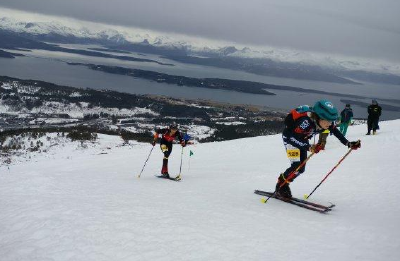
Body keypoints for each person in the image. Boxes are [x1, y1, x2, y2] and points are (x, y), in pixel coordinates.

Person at [275, 100, 361, 199]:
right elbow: (292, 138)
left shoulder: (323, 121)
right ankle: (281, 185)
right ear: (319, 117)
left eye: (332, 120)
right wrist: (309, 147)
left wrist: (348, 143)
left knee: (301, 169)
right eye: (328, 120)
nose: (330, 123)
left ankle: (285, 183)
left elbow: (335, 131)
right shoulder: (305, 122)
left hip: (303, 140)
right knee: (296, 166)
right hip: (291, 140)